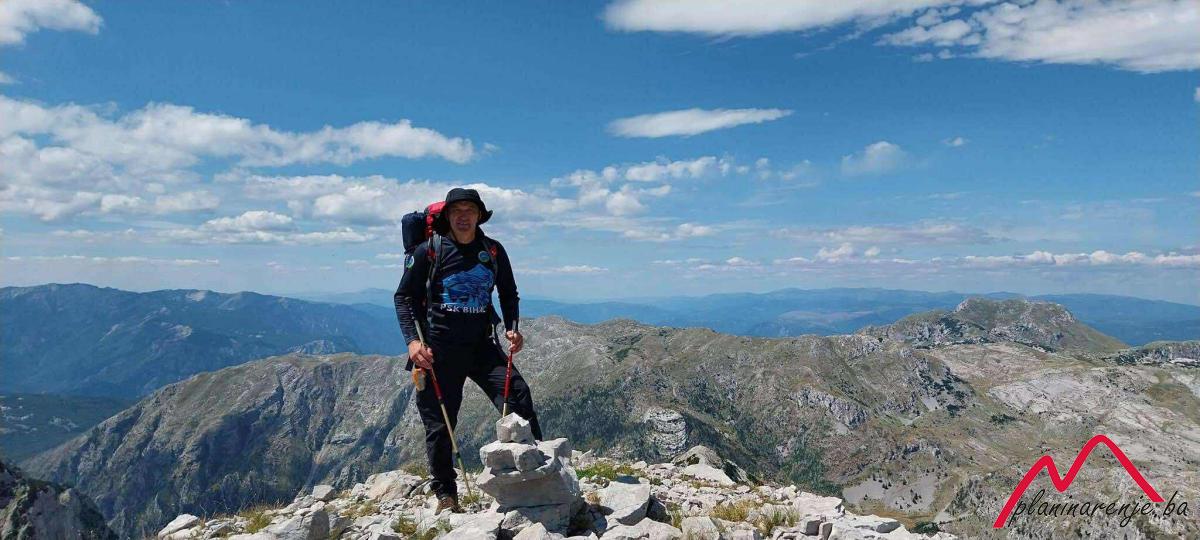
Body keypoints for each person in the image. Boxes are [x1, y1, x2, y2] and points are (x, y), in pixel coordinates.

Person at [393, 187, 543, 514]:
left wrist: (512, 327)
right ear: (447, 216)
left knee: (517, 396)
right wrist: (413, 342)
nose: (463, 216)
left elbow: (508, 293)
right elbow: (404, 297)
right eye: (456, 210)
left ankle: (538, 470)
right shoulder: (429, 251)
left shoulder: (493, 251)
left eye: (470, 210)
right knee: (440, 425)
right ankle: (446, 495)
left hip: (481, 345)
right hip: (438, 350)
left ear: (479, 216)